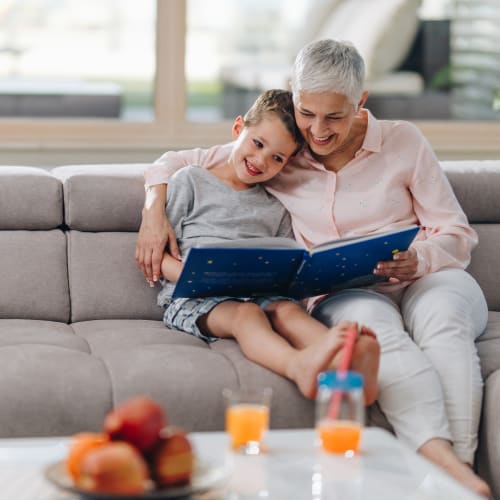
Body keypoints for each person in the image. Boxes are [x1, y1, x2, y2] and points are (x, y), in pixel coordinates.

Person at [135, 40, 490, 497]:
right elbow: (184, 162)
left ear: (360, 103)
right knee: (376, 338)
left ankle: (456, 473)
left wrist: (418, 258)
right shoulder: (285, 151)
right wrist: (152, 208)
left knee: (442, 322)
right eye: (307, 112)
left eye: (335, 117)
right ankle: (451, 475)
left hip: (430, 275)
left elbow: (456, 234)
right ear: (294, 96)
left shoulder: (404, 140)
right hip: (352, 291)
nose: (318, 131)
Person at [156, 88, 380, 402]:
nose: (261, 161)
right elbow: (159, 255)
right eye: (257, 144)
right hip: (194, 296)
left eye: (277, 158)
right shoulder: (190, 180)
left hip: (258, 291)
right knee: (247, 315)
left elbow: (287, 260)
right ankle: (298, 366)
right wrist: (193, 275)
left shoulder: (274, 204)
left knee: (286, 310)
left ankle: (347, 358)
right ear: (238, 129)